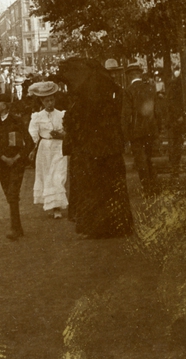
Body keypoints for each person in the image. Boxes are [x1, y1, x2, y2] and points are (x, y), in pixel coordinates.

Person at [57, 57, 134, 239]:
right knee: (113, 186)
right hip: (111, 146)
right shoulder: (112, 89)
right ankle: (119, 225)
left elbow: (78, 122)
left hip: (92, 148)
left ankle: (95, 227)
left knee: (93, 187)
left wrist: (69, 121)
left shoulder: (85, 92)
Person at [0, 94, 34, 240]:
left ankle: (14, 228)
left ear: (4, 106)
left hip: (16, 164)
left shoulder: (16, 120)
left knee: (13, 194)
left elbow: (29, 143)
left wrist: (17, 157)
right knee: (9, 195)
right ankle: (18, 227)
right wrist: (3, 158)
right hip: (2, 165)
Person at [28, 81, 68, 217]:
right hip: (44, 149)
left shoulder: (62, 115)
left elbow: (69, 132)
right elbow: (33, 134)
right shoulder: (37, 117)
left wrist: (62, 135)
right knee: (47, 176)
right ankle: (52, 205)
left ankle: (57, 208)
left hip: (59, 148)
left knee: (58, 176)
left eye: (52, 100)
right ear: (42, 102)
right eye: (47, 101)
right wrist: (32, 149)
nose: (50, 103)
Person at [123, 63, 158, 194]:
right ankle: (154, 186)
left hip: (136, 132)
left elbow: (126, 115)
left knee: (140, 160)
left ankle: (147, 188)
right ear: (139, 74)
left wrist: (126, 137)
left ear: (130, 76)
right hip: (150, 130)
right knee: (149, 158)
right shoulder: (150, 88)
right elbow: (157, 111)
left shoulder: (128, 91)